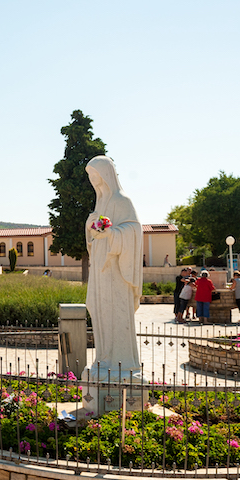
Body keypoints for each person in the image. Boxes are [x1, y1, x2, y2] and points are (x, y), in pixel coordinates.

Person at [84, 155, 143, 374]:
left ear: (106, 175)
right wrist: (91, 228)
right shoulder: (100, 202)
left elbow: (134, 231)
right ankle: (104, 358)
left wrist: (111, 234)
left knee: (115, 314)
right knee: (99, 311)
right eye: (90, 176)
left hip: (117, 271)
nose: (92, 180)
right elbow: (93, 238)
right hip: (100, 267)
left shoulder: (122, 201)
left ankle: (122, 362)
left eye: (95, 175)